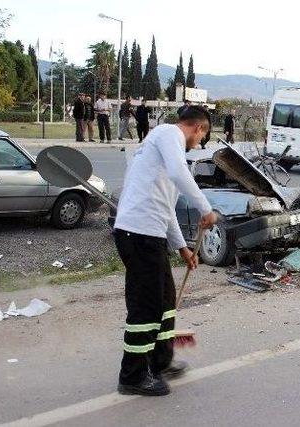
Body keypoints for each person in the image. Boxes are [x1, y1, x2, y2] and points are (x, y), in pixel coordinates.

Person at [113, 106, 219, 396]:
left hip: (150, 235)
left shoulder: (164, 150)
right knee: (146, 306)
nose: (199, 142)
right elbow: (179, 173)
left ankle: (159, 362)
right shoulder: (168, 132)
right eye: (202, 136)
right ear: (198, 128)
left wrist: (182, 247)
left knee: (165, 300)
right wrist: (206, 209)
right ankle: (133, 376)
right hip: (138, 233)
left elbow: (168, 208)